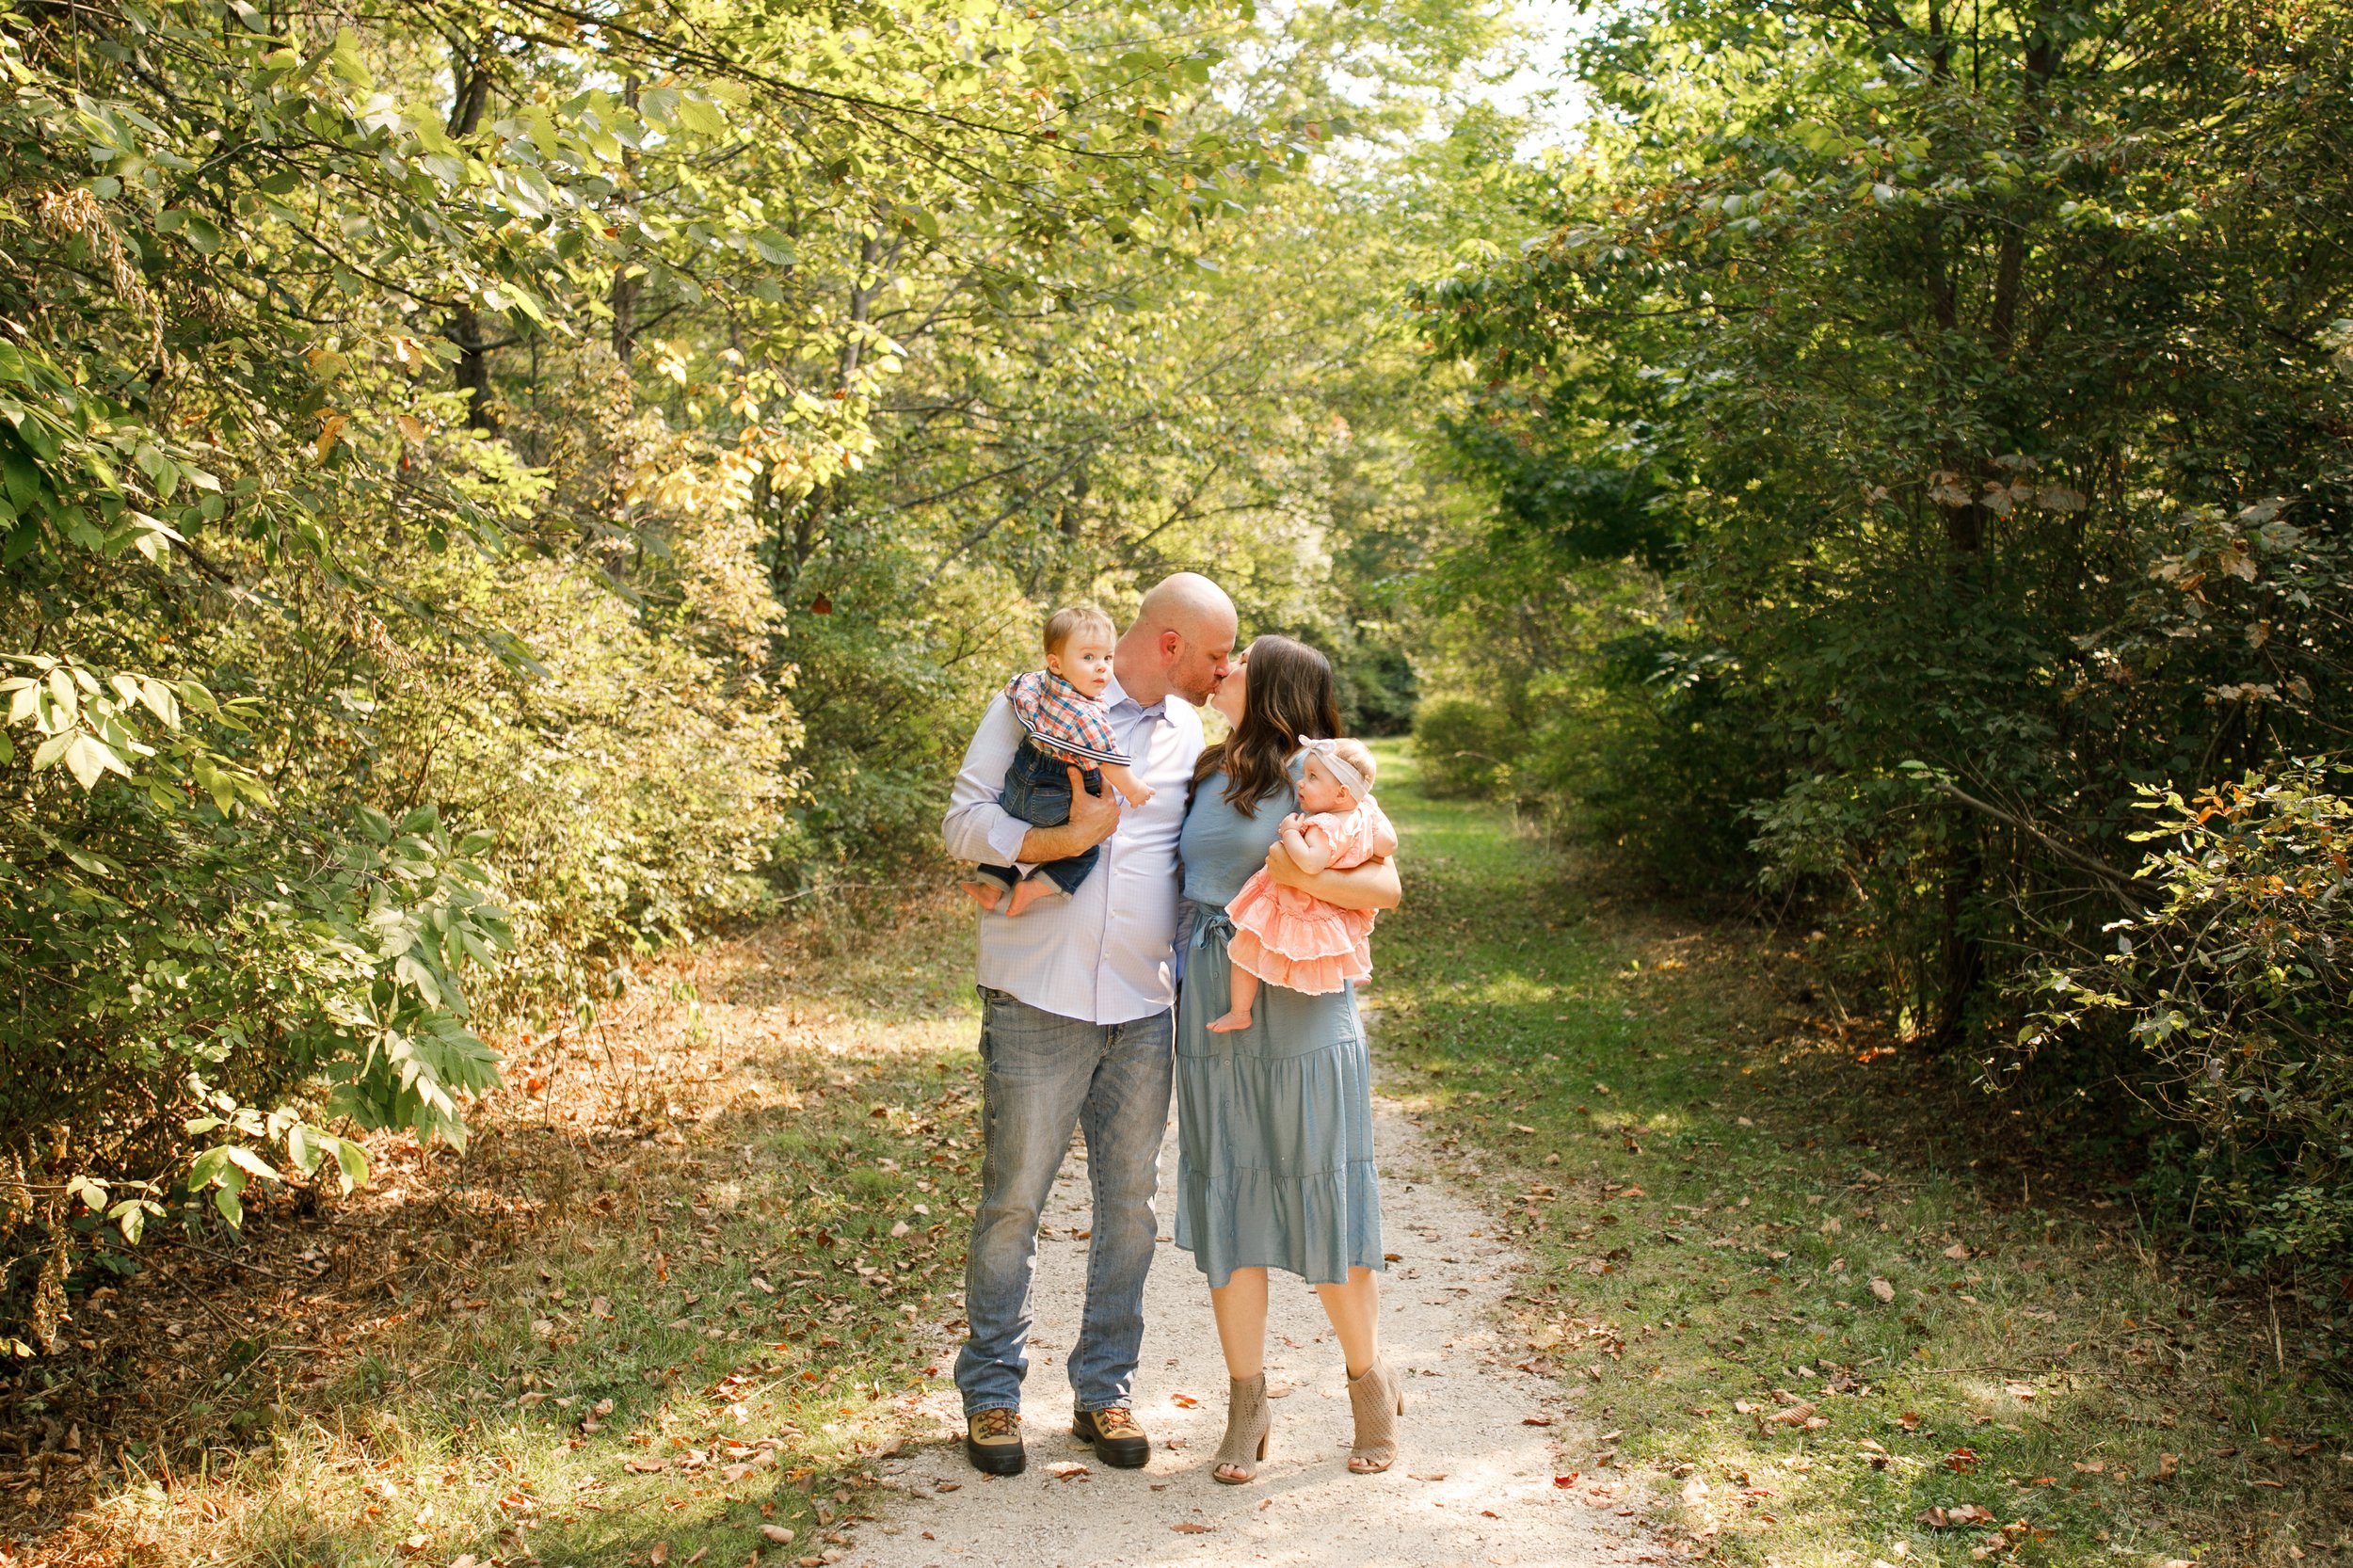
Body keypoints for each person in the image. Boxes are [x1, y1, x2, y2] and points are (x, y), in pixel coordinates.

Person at [940, 572, 1239, 1477]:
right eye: (1217, 654)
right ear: (1173, 644)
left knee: (1131, 1213)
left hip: (1145, 1007)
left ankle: (1103, 1392)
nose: (1223, 672)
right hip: (1039, 998)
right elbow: (963, 823)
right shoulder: (1038, 705)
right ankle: (992, 1396)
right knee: (1013, 1205)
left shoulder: (1189, 732)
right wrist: (1059, 843)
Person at [1170, 635, 1405, 1484]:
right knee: (1230, 1190)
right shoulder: (1201, 773)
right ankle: (1248, 1403)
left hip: (1302, 1000)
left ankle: (1367, 1384)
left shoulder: (1331, 784)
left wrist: (1299, 879)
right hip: (1212, 996)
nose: (1221, 668)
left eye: (1239, 661)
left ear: (1271, 688)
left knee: (1321, 1191)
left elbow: (1386, 889)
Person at [960, 605, 1158, 919]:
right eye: (1089, 658)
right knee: (1086, 848)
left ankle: (992, 885)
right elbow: (1106, 759)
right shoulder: (1086, 714)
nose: (1102, 669)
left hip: (1016, 789)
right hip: (1053, 799)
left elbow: (1014, 691)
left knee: (1016, 831)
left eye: (1107, 657)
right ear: (1056, 662)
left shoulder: (1036, 683)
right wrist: (1134, 789)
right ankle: (1033, 888)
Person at [1208, 737, 1396, 1033]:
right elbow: (1388, 844)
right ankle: (1352, 971)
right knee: (1338, 936)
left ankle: (1239, 1011)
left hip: (1294, 896)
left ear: (1342, 792)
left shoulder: (1325, 826)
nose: (1300, 784)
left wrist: (1290, 831)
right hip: (1332, 902)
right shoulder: (1363, 817)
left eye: (1312, 778)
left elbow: (1310, 863)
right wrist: (1371, 807)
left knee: (1247, 946)